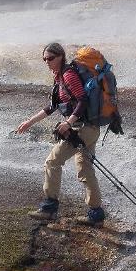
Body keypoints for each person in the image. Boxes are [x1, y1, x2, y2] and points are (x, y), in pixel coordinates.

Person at [16, 42, 106, 225]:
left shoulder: (68, 75)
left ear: (60, 57)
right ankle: (96, 215)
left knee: (52, 162)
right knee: (85, 170)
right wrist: (29, 122)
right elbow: (51, 107)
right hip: (90, 128)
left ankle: (49, 208)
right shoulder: (59, 78)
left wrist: (68, 122)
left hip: (82, 129)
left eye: (50, 58)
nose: (47, 62)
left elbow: (83, 100)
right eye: (44, 59)